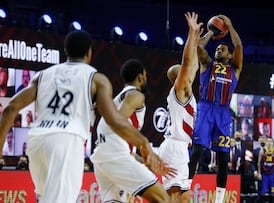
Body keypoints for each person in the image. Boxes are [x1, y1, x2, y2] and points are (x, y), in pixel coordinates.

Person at [0, 30, 171, 203]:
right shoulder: (96, 79)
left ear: (66, 51)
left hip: (37, 143)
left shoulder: (42, 75)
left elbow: (10, 109)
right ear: (89, 52)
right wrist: (143, 144)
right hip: (66, 141)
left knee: (46, 198)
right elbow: (114, 120)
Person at [90, 58, 177, 203]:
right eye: (145, 75)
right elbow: (118, 121)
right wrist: (145, 146)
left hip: (102, 159)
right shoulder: (135, 95)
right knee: (163, 199)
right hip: (114, 157)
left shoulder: (117, 100)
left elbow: (122, 144)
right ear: (141, 77)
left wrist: (146, 161)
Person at [188, 14, 243, 203]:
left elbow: (238, 47)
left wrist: (230, 26)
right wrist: (212, 30)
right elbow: (197, 47)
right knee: (196, 151)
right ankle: (185, 190)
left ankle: (219, 199)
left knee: (222, 158)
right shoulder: (207, 65)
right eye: (218, 49)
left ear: (229, 55)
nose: (219, 50)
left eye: (223, 49)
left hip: (222, 113)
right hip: (205, 108)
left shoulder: (235, 69)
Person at [157, 12, 202, 203]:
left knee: (182, 198)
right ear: (179, 77)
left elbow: (195, 65)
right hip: (175, 147)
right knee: (177, 198)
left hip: (178, 147)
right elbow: (188, 63)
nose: (190, 73)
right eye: (184, 72)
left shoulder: (185, 91)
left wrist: (199, 42)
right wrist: (191, 34)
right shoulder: (179, 89)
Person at [258, 138, 274, 202]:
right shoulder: (262, 151)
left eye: (271, 141)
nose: (269, 143)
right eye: (268, 141)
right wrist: (259, 173)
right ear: (266, 142)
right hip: (265, 175)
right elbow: (259, 163)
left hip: (272, 175)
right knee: (264, 193)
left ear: (273, 143)